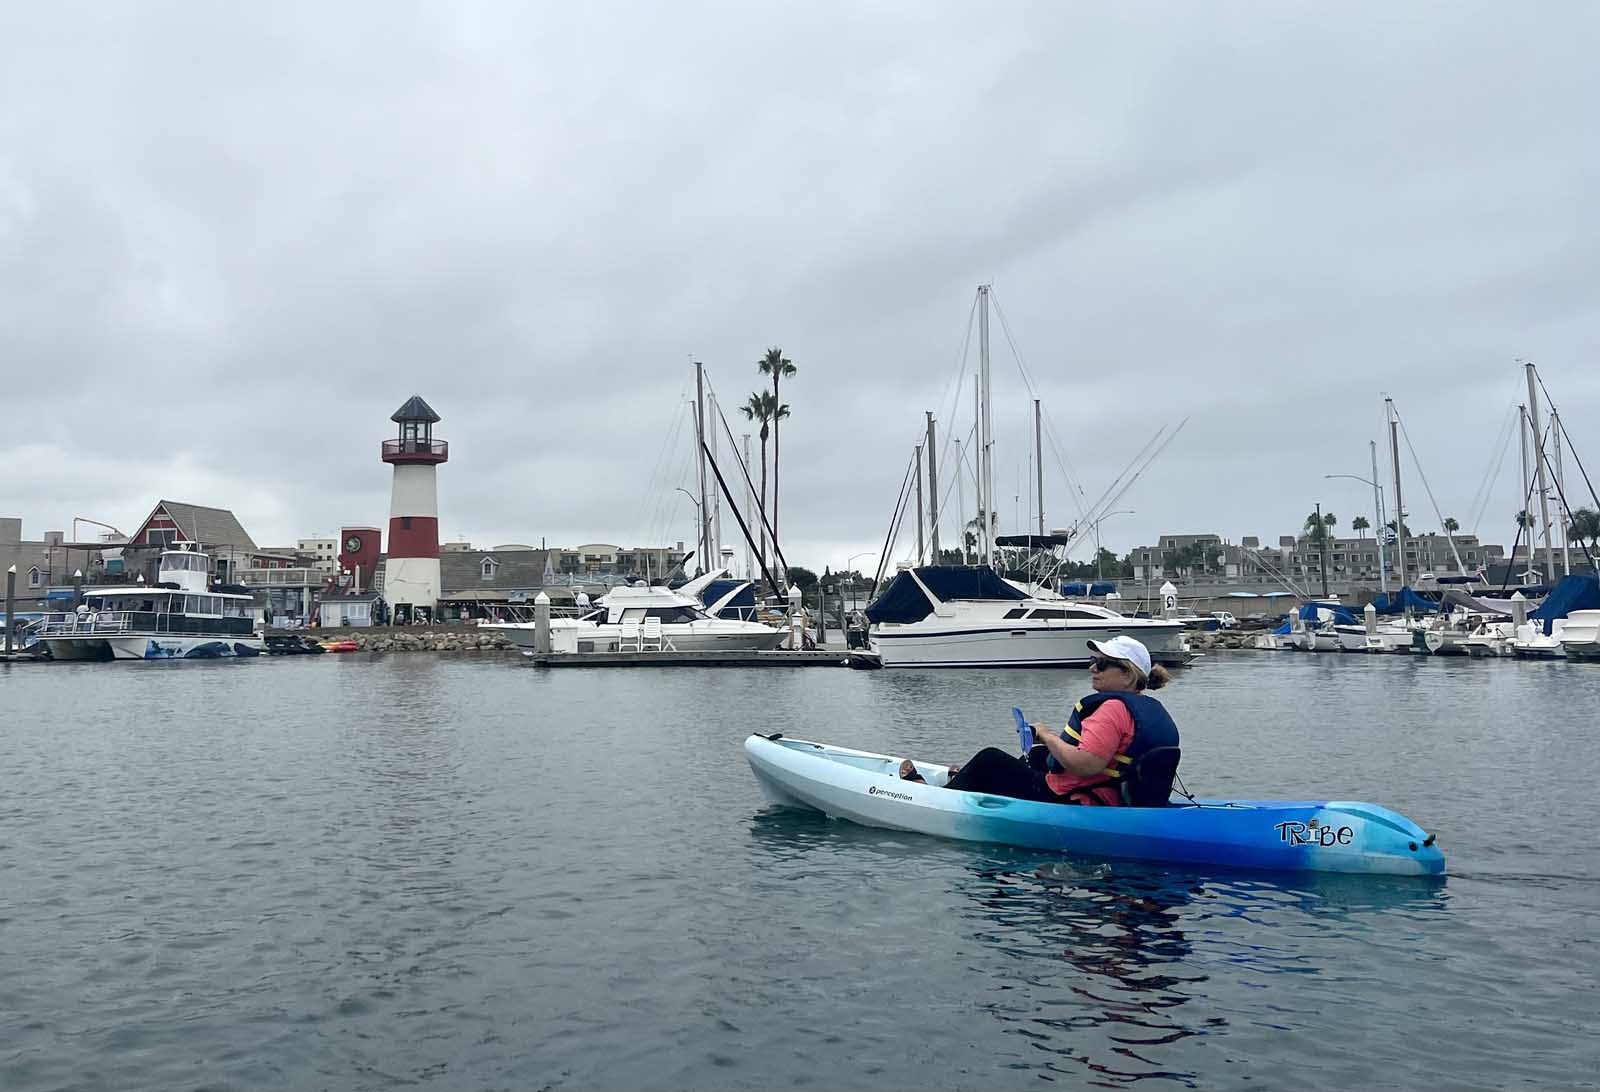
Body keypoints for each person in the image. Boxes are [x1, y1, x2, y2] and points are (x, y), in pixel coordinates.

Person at [904, 636, 1179, 806]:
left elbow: (1086, 765)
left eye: (1102, 664)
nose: (1093, 668)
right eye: (1094, 660)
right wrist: (1046, 743)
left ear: (1129, 675)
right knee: (1038, 756)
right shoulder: (1149, 709)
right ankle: (968, 782)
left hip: (1078, 800)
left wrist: (1048, 734)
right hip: (1118, 795)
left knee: (990, 760)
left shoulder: (1111, 710)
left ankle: (933, 797)